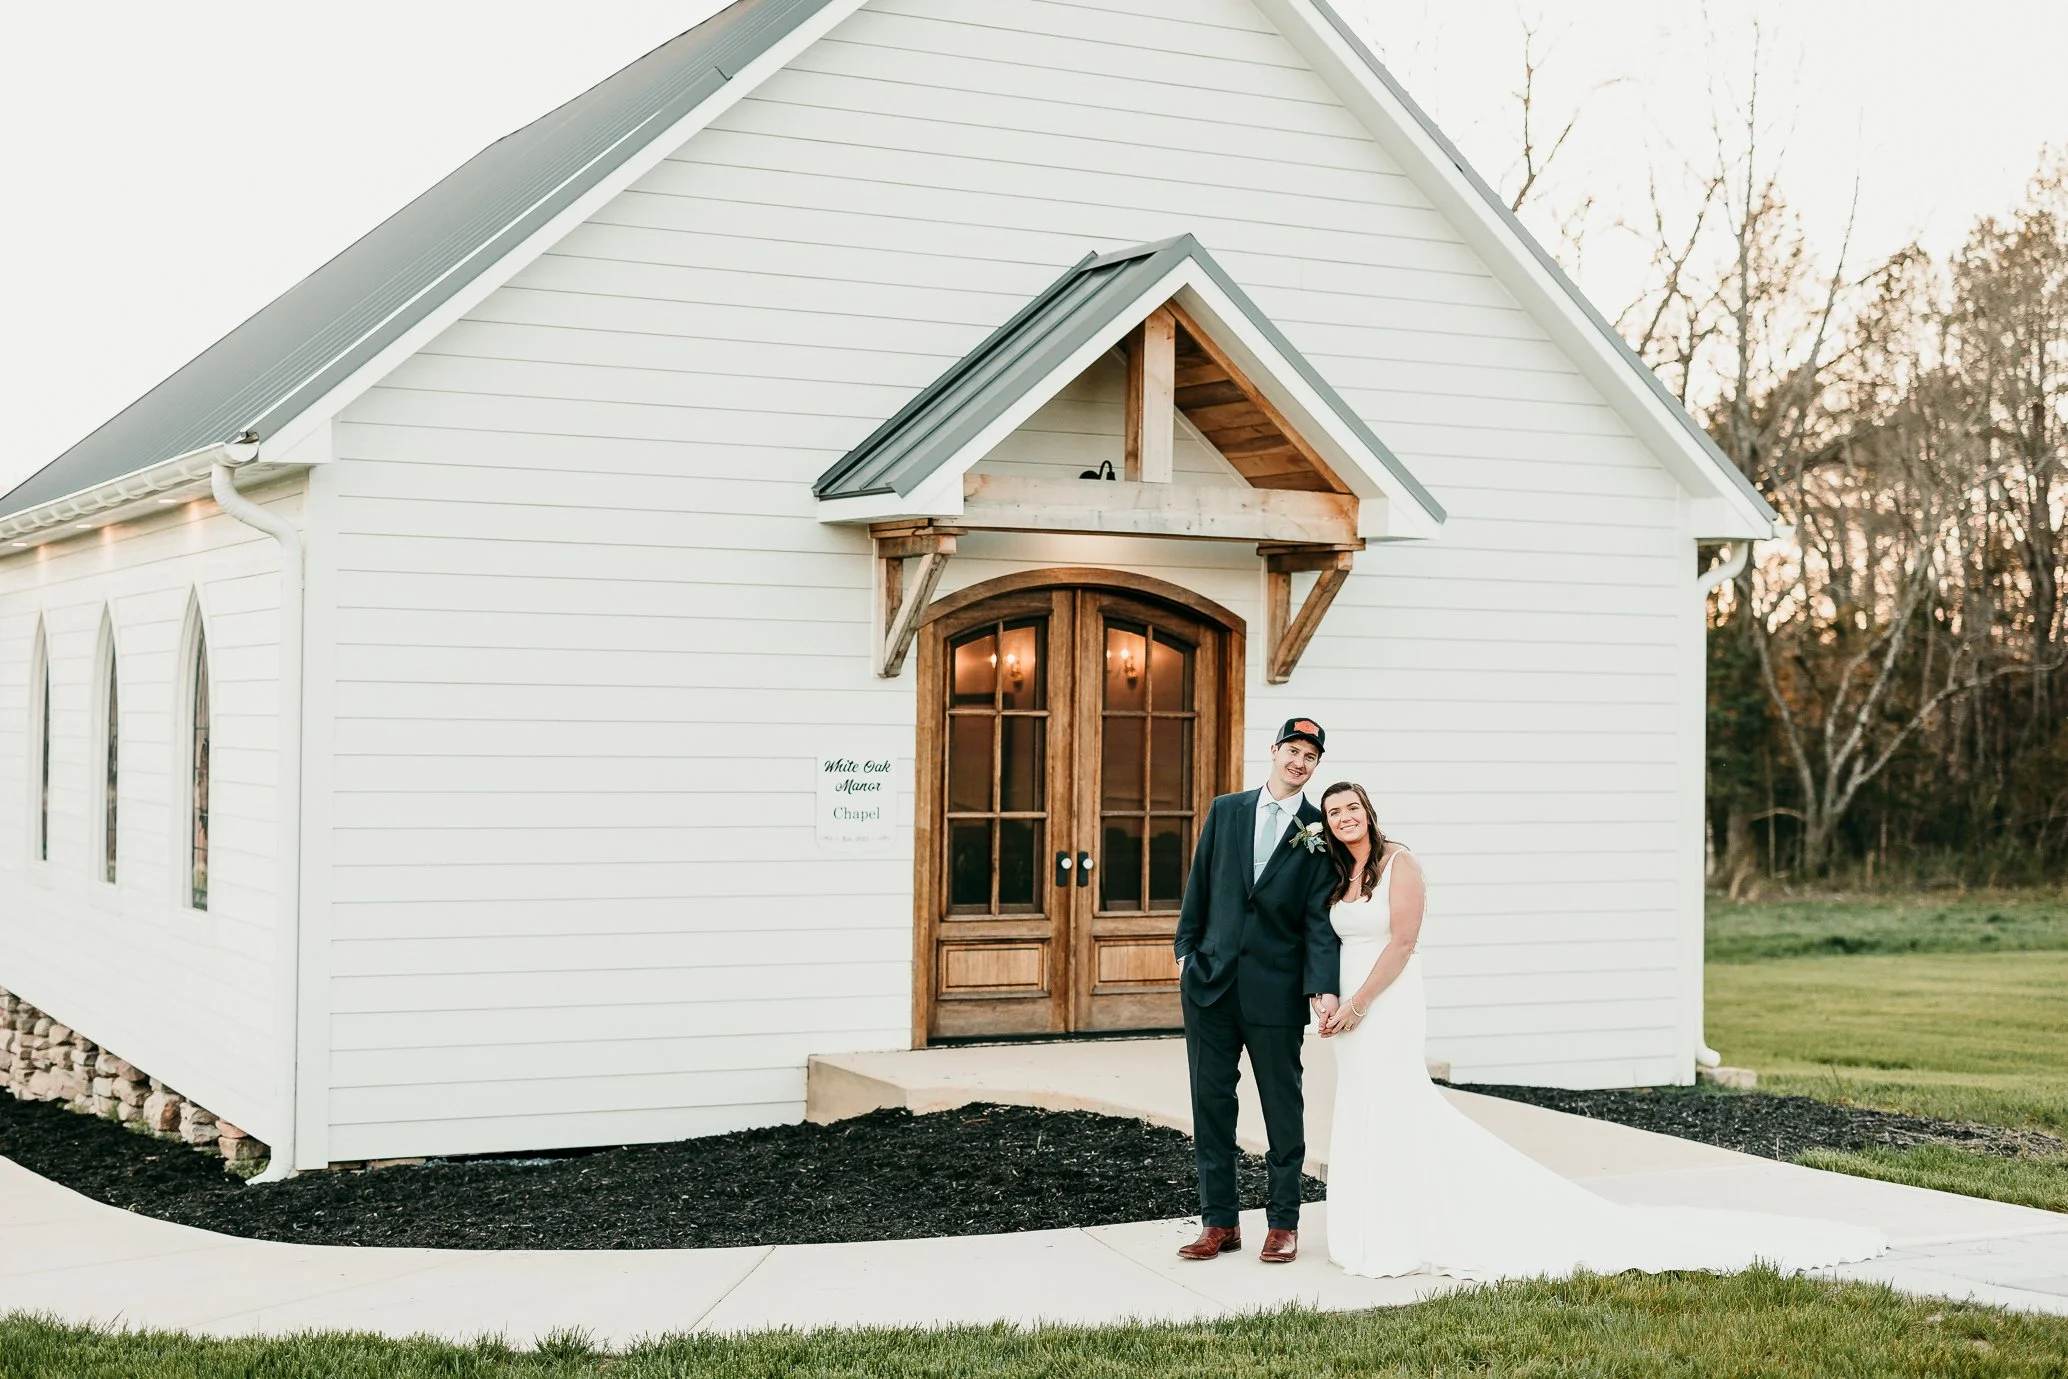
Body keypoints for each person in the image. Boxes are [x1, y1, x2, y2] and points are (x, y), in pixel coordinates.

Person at [1315, 780, 1888, 1279]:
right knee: (1363, 1107)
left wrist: (1361, 1003)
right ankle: (1371, 1226)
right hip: (1348, 1015)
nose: (1345, 818)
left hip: (1387, 1004)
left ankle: (1409, 1228)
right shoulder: (1341, 871)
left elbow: (1405, 942)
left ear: (1368, 811)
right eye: (1334, 812)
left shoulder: (1400, 863)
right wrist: (1332, 1002)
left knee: (1397, 1105)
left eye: (1352, 808)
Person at [1171, 718, 1341, 1265]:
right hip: (1211, 987)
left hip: (1275, 992)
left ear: (1316, 766)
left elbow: (1319, 919)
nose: (1299, 762)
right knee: (1211, 1105)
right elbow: (1200, 882)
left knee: (1282, 1108)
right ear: (1274, 751)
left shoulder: (1320, 830)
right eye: (1292, 750)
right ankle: (1218, 1222)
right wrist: (1185, 954)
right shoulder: (1227, 810)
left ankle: (1282, 1222)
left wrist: (1321, 987)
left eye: (1310, 757)